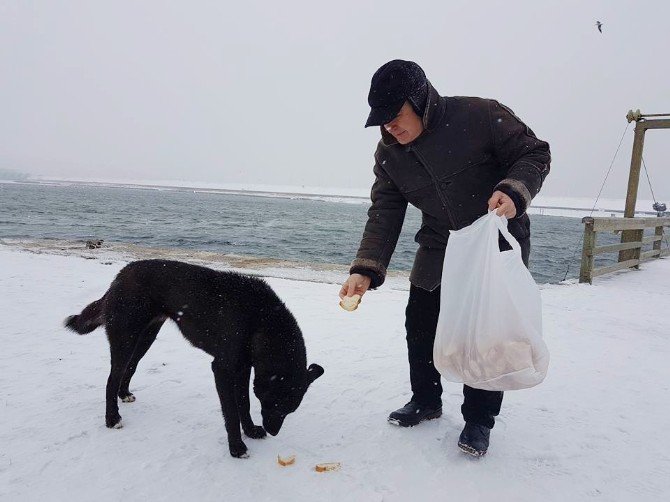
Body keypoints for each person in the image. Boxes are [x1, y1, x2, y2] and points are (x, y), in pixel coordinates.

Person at [339, 59, 551, 456]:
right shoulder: (389, 153)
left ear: (419, 100)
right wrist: (365, 268)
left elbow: (535, 153)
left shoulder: (481, 115)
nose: (391, 128)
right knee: (420, 323)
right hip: (440, 243)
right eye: (383, 122)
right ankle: (426, 399)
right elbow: (385, 210)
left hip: (493, 239)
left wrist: (515, 188)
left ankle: (478, 421)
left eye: (396, 117)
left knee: (487, 335)